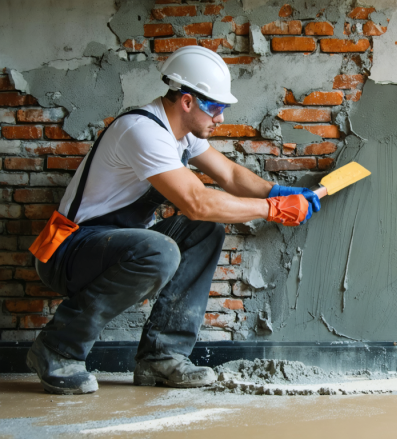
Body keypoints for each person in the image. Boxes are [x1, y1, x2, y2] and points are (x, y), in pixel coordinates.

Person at [25, 46, 321, 395]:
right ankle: (57, 349)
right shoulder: (142, 130)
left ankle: (161, 358)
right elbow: (197, 201)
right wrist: (272, 210)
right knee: (163, 248)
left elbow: (229, 174)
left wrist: (277, 191)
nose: (221, 118)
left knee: (204, 231)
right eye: (216, 107)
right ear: (187, 101)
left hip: (108, 244)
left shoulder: (183, 135)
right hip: (64, 250)